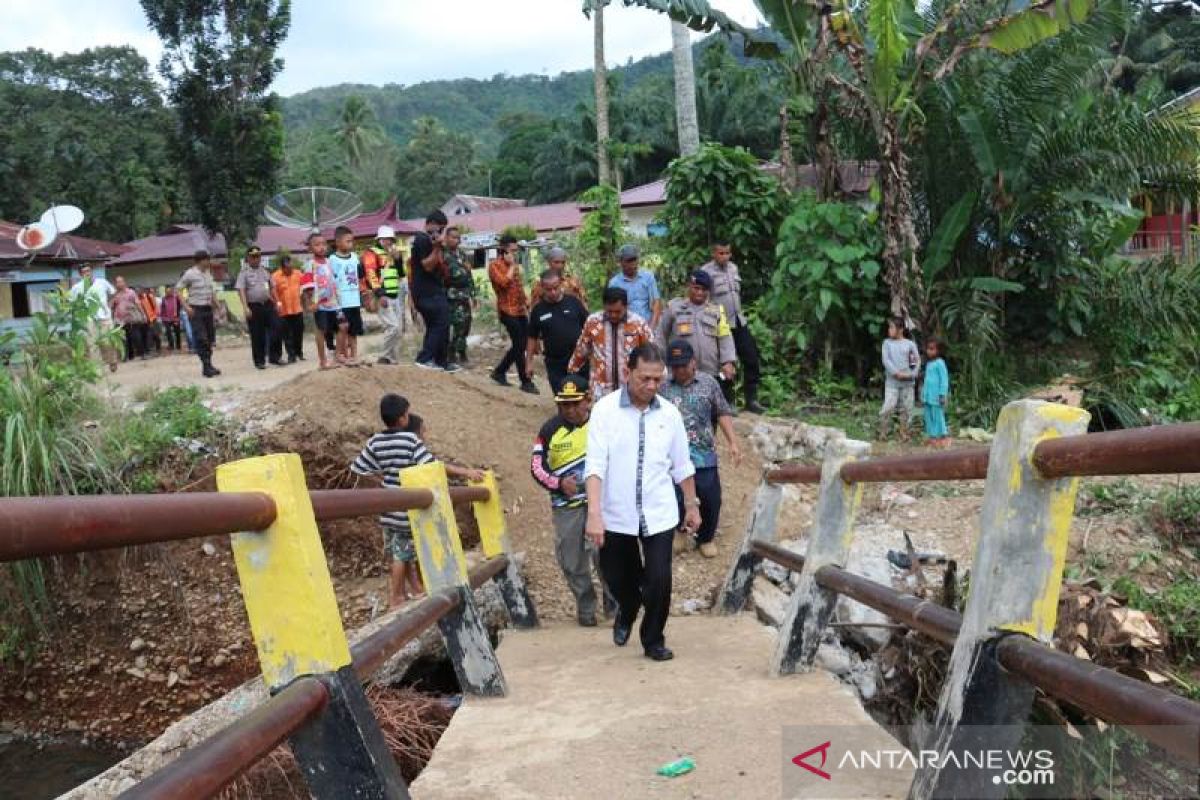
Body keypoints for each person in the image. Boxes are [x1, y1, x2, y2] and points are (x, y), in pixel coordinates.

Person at [584, 344, 700, 662]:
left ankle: (653, 640)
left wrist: (692, 505)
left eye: (657, 379)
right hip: (616, 513)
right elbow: (594, 466)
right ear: (628, 373)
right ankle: (628, 608)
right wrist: (594, 514)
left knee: (660, 579)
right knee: (619, 578)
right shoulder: (605, 411)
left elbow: (682, 465)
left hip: (659, 511)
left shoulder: (670, 414)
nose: (651, 386)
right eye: (644, 378)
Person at [351, 393, 484, 607]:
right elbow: (431, 466)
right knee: (401, 556)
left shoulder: (375, 441)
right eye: (408, 413)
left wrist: (383, 480)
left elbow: (358, 468)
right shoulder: (410, 440)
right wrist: (465, 472)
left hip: (387, 507)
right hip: (405, 508)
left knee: (399, 551)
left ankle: (412, 590)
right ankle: (395, 597)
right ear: (403, 419)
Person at [531, 375, 604, 626]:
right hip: (566, 508)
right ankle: (586, 606)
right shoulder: (549, 430)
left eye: (576, 403)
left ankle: (616, 605)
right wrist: (559, 484)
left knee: (605, 555)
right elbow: (536, 467)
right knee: (571, 560)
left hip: (602, 505)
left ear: (588, 399)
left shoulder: (603, 424)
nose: (570, 410)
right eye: (564, 405)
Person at [660, 340, 743, 559]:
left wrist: (733, 442)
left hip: (703, 453)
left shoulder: (709, 383)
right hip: (673, 455)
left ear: (693, 362)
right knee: (676, 494)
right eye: (674, 366)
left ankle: (705, 537)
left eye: (682, 365)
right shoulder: (662, 387)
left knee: (710, 496)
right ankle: (680, 531)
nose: (678, 370)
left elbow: (722, 412)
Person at [701, 242, 765, 414]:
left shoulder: (734, 269)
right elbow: (704, 300)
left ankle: (751, 399)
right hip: (720, 325)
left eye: (727, 253)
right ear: (714, 253)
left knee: (751, 358)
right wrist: (713, 320)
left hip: (738, 321)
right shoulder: (706, 271)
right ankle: (727, 402)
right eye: (721, 253)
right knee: (725, 363)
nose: (725, 256)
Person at [567, 287, 654, 400]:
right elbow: (581, 350)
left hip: (631, 388)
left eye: (618, 312)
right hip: (600, 389)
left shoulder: (638, 323)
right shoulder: (593, 322)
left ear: (626, 306)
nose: (613, 315)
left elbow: (651, 352)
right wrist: (571, 373)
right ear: (604, 306)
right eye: (609, 311)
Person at [657, 270, 737, 386]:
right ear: (690, 287)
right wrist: (659, 362)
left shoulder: (716, 311)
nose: (700, 292)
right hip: (679, 371)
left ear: (708, 291)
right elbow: (661, 336)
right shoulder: (674, 308)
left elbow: (725, 337)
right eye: (696, 288)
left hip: (710, 373)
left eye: (704, 290)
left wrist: (728, 362)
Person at [410, 210, 460, 372]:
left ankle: (441, 361)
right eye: (440, 228)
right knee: (441, 322)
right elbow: (427, 265)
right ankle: (425, 358)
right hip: (426, 292)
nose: (440, 232)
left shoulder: (428, 241)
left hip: (432, 290)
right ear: (430, 223)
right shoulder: (422, 240)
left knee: (438, 325)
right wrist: (437, 247)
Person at [488, 235, 537, 394]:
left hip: (520, 310)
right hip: (506, 310)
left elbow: (517, 286)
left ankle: (500, 371)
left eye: (515, 250)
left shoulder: (513, 266)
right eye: (512, 250)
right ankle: (525, 381)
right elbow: (504, 283)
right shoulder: (494, 266)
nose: (514, 253)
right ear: (503, 249)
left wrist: (526, 301)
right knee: (519, 344)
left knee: (521, 344)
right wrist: (511, 266)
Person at [527, 271, 588, 393]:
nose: (553, 292)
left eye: (556, 288)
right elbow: (532, 337)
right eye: (548, 289)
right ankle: (563, 412)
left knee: (581, 394)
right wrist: (528, 363)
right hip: (555, 361)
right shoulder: (538, 310)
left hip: (578, 358)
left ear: (561, 284)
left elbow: (588, 327)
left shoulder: (573, 302)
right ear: (542, 288)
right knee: (561, 395)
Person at [176, 250, 221, 378]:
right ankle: (206, 366)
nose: (209, 262)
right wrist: (186, 307)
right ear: (201, 260)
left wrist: (217, 305)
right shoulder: (190, 274)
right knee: (202, 339)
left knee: (210, 339)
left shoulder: (207, 273)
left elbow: (211, 291)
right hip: (196, 309)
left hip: (207, 309)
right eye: (207, 260)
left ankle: (209, 364)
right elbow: (178, 289)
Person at [235, 245, 280, 370]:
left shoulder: (265, 271)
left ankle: (274, 356)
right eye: (253, 257)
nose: (256, 259)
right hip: (254, 306)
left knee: (277, 327)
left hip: (267, 304)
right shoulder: (244, 273)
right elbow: (241, 290)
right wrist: (245, 307)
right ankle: (259, 361)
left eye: (258, 256)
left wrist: (277, 302)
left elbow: (272, 287)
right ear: (248, 258)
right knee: (257, 335)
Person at [69, 264, 118, 372]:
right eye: (84, 272)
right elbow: (72, 303)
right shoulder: (77, 288)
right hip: (89, 319)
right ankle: (97, 368)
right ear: (80, 274)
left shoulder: (102, 282)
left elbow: (113, 293)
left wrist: (109, 304)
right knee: (92, 344)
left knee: (107, 341)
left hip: (105, 317)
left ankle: (112, 361)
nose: (87, 273)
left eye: (89, 271)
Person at [369, 226, 406, 365]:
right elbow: (371, 274)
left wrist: (398, 260)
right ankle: (383, 356)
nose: (388, 242)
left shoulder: (393, 254)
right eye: (385, 239)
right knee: (393, 327)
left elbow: (401, 274)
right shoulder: (372, 254)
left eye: (390, 239)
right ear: (379, 239)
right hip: (383, 297)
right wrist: (380, 294)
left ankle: (392, 358)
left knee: (397, 329)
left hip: (395, 295)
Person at [880, 316, 920, 441]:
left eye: (892, 327)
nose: (889, 330)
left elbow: (916, 360)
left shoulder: (910, 344)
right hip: (892, 383)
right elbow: (886, 360)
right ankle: (883, 431)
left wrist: (912, 374)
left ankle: (904, 432)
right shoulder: (887, 343)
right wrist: (896, 373)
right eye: (889, 327)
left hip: (908, 383)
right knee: (888, 407)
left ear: (901, 329)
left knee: (907, 409)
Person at [329, 226, 364, 366]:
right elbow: (331, 281)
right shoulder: (332, 259)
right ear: (338, 242)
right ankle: (341, 354)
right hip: (341, 302)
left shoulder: (355, 257)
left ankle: (354, 356)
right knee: (342, 329)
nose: (351, 244)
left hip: (354, 300)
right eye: (347, 241)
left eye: (352, 241)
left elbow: (360, 276)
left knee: (353, 330)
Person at [607, 243, 661, 330]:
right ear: (621, 262)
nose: (632, 264)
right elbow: (612, 310)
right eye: (628, 261)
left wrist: (651, 328)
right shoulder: (614, 283)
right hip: (626, 328)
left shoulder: (648, 277)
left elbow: (656, 302)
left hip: (648, 325)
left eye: (634, 260)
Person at [306, 232, 340, 370]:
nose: (321, 247)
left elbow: (334, 281)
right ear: (310, 248)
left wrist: (338, 299)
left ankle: (337, 356)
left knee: (339, 328)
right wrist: (310, 302)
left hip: (333, 303)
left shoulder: (330, 262)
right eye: (317, 244)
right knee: (321, 330)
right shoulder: (310, 264)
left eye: (323, 244)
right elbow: (307, 287)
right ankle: (323, 361)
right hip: (319, 304)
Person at [444, 227, 477, 366]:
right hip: (451, 296)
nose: (456, 240)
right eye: (453, 237)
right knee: (456, 327)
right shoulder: (443, 255)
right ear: (446, 238)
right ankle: (453, 355)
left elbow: (469, 275)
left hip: (464, 296)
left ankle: (461, 352)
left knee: (466, 324)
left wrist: (473, 295)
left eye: (458, 238)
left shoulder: (462, 255)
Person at [270, 252, 305, 364]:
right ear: (282, 267)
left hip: (297, 309)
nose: (290, 270)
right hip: (284, 311)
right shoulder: (275, 276)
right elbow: (272, 291)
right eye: (287, 268)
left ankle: (299, 352)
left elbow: (305, 287)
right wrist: (277, 303)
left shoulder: (298, 274)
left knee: (298, 333)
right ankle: (291, 355)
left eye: (291, 267)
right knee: (287, 335)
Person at [922, 337, 951, 449]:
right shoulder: (929, 363)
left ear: (938, 350)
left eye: (932, 349)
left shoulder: (940, 363)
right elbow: (927, 381)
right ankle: (932, 437)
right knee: (928, 417)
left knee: (938, 416)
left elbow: (944, 380)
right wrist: (923, 395)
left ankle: (944, 436)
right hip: (928, 396)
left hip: (937, 396)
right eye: (928, 349)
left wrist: (942, 394)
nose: (929, 351)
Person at [110, 275, 145, 362]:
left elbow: (138, 304)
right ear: (115, 284)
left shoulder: (131, 292)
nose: (119, 284)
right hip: (119, 320)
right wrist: (113, 297)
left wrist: (143, 314)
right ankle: (126, 357)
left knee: (136, 337)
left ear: (124, 282)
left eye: (121, 281)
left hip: (131, 318)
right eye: (117, 282)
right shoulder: (115, 294)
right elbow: (110, 306)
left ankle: (142, 354)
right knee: (123, 339)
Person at [160, 286, 183, 353]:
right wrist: (162, 317)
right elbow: (162, 308)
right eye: (167, 292)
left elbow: (179, 307)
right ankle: (171, 345)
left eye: (169, 291)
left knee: (177, 332)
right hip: (166, 318)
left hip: (175, 318)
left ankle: (178, 346)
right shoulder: (164, 299)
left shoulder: (176, 298)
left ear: (172, 291)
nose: (168, 293)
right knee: (168, 332)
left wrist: (178, 316)